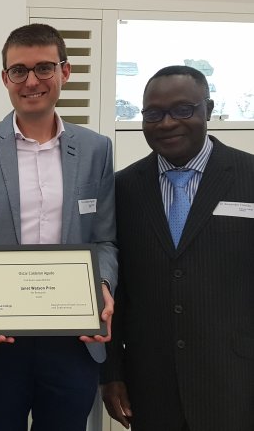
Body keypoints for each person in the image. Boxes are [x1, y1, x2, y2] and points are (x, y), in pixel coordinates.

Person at [0, 23, 118, 431]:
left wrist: (103, 285)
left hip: (74, 338)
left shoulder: (96, 149)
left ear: (64, 71)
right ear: (5, 78)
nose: (31, 81)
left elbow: (105, 239)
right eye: (19, 70)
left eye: (44, 68)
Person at [101, 65, 254, 431]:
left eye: (183, 109)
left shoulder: (249, 176)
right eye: (153, 114)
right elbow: (116, 289)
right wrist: (111, 373)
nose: (167, 123)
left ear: (208, 109)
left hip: (237, 381)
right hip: (150, 387)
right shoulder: (122, 188)